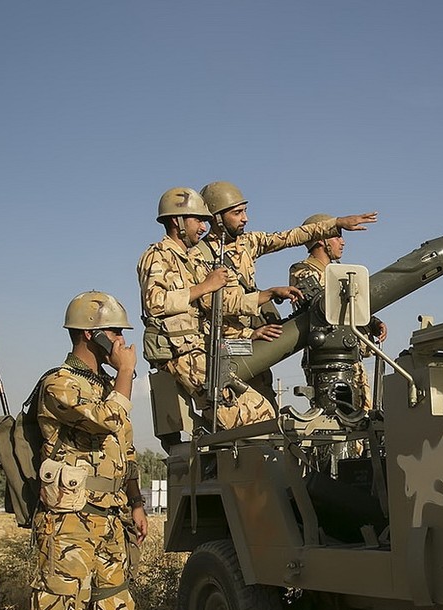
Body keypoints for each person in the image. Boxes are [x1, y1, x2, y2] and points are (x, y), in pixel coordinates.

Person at [29, 290, 149, 610]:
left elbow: (126, 451)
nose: (121, 341)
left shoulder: (107, 387)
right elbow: (105, 420)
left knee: (115, 607)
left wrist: (136, 503)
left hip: (111, 517)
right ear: (89, 335)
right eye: (115, 332)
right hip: (70, 519)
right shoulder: (58, 385)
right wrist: (127, 374)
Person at [197, 182, 377, 408]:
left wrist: (336, 223)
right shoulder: (198, 256)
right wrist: (268, 294)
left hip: (255, 339)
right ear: (217, 218)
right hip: (225, 346)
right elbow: (213, 305)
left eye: (245, 211)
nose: (245, 218)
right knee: (231, 413)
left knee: (267, 408)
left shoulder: (248, 243)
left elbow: (289, 237)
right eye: (237, 213)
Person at [137, 187, 295, 431]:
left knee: (263, 407)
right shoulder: (157, 255)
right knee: (257, 412)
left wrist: (250, 329)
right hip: (181, 353)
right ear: (176, 221)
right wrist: (204, 286)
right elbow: (155, 303)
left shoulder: (194, 260)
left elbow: (215, 309)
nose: (203, 227)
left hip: (206, 348)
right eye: (198, 220)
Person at [289, 213, 388, 404]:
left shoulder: (340, 273)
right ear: (320, 239)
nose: (342, 242)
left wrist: (373, 322)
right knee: (335, 417)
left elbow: (351, 308)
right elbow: (322, 307)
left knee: (361, 417)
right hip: (325, 361)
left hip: (351, 356)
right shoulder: (302, 270)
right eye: (336, 236)